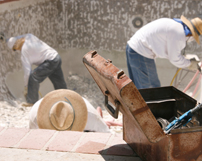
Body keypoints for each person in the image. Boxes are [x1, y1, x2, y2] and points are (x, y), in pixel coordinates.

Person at [126, 15, 202, 89]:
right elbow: (174, 58)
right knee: (152, 89)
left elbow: (168, 50)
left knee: (138, 89)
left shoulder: (176, 26)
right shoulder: (179, 33)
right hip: (141, 52)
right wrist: (190, 63)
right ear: (191, 33)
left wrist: (185, 60)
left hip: (133, 48)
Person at [6, 34, 67, 106]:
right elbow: (18, 38)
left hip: (50, 62)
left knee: (33, 76)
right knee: (58, 82)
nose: (17, 50)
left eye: (15, 49)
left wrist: (26, 87)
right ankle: (67, 98)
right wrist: (6, 39)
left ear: (16, 46)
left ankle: (32, 101)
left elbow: (27, 73)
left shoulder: (24, 52)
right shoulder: (29, 37)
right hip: (56, 57)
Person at [29, 89, 122, 133]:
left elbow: (106, 135)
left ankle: (100, 119)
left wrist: (100, 123)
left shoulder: (89, 115)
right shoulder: (35, 115)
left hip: (92, 119)